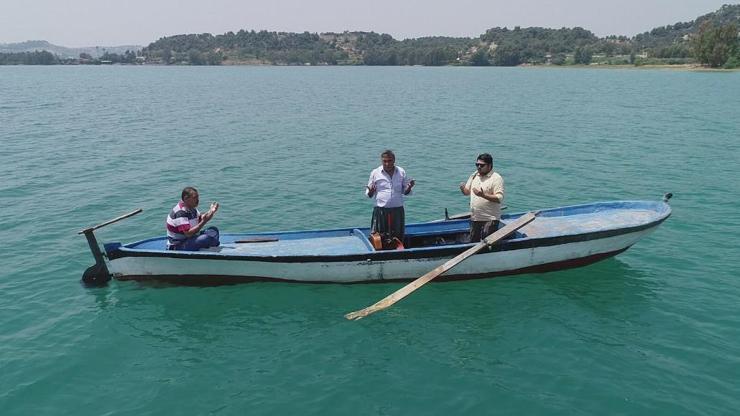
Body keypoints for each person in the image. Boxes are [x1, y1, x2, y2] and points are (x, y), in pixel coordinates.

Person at [366, 149, 415, 244]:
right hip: (381, 210)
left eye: (390, 161)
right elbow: (369, 194)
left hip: (397, 209)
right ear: (381, 161)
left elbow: (405, 192)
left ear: (394, 160)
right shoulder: (375, 173)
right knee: (379, 237)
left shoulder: (401, 172)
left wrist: (409, 188)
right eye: (385, 161)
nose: (387, 164)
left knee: (398, 235)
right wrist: (371, 191)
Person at [459, 153, 505, 242]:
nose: (478, 167)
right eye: (477, 164)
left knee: (486, 243)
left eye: (482, 165)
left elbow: (499, 198)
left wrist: (483, 195)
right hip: (475, 217)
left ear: (489, 166)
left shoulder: (496, 178)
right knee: (473, 242)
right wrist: (462, 188)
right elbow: (467, 192)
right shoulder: (474, 175)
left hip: (490, 218)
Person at [165, 186, 220, 251]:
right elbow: (188, 234)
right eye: (195, 198)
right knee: (204, 238)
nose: (198, 200)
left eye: (198, 197)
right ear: (186, 199)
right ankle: (210, 245)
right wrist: (204, 222)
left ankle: (208, 245)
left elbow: (202, 218)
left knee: (213, 230)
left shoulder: (192, 208)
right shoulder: (180, 212)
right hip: (178, 245)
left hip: (191, 238)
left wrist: (211, 211)